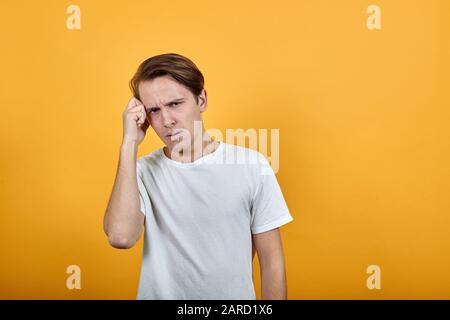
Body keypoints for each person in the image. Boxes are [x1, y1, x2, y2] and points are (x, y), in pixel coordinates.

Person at [103, 53, 294, 300]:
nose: (167, 121)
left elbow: (272, 263)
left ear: (201, 100)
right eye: (154, 110)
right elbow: (121, 237)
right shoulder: (140, 171)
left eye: (175, 104)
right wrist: (129, 143)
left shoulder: (251, 166)